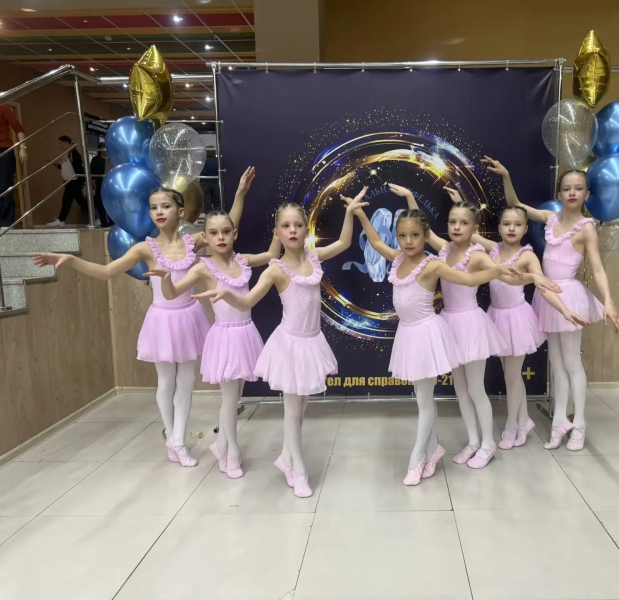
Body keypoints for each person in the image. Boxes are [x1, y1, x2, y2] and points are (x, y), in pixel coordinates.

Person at [33, 167, 263, 467]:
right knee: (166, 381)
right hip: (163, 319)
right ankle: (175, 441)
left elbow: (227, 225)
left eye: (165, 206)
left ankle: (178, 438)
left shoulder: (193, 241)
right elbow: (107, 272)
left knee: (187, 381)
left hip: (190, 317)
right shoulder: (145, 247)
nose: (159, 212)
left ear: (180, 211)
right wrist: (71, 259)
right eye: (153, 208)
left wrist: (241, 192)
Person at [194, 195, 368, 497]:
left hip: (312, 341)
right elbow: (248, 301)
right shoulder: (276, 269)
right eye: (286, 226)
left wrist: (350, 213)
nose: (293, 230)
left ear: (306, 229)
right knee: (292, 411)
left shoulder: (314, 257)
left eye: (298, 225)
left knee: (303, 405)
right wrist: (227, 294)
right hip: (290, 345)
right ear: (277, 233)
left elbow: (343, 242)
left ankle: (286, 457)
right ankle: (298, 469)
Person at [349, 192, 519, 486]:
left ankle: (445, 452)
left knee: (454, 393)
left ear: (425, 236)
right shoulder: (398, 258)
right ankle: (456, 444)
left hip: (430, 331)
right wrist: (360, 214)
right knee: (440, 394)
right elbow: (376, 242)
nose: (408, 241)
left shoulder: (433, 264)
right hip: (410, 333)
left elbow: (467, 279)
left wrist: (498, 269)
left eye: (415, 235)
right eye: (402, 236)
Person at [392, 183, 553, 469]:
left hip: (471, 324)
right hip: (448, 324)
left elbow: (504, 275)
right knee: (461, 389)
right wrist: (409, 197)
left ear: (474, 228)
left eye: (464, 223)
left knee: (476, 388)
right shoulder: (443, 251)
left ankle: (488, 444)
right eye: (452, 222)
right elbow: (419, 228)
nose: (456, 227)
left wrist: (534, 277)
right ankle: (473, 440)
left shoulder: (477, 255)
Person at [486, 156, 619, 451]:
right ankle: (560, 420)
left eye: (578, 188)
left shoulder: (586, 228)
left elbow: (597, 268)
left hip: (569, 294)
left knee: (572, 361)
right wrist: (506, 175)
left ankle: (580, 423)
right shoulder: (550, 219)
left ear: (587, 194)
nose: (572, 193)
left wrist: (609, 302)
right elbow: (517, 206)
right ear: (559, 193)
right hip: (547, 293)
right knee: (556, 363)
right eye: (566, 188)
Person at [146, 212, 277, 479]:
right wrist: (166, 279)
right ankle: (232, 452)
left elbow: (272, 255)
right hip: (224, 337)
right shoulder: (203, 267)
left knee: (236, 395)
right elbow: (172, 293)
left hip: (246, 333)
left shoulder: (244, 261)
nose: (221, 237)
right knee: (229, 399)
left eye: (226, 231)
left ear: (234, 233)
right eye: (214, 233)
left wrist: (277, 231)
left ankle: (220, 444)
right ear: (204, 237)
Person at [48, 135, 87, 227]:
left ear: (66, 142)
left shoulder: (73, 153)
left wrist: (81, 181)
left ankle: (61, 220)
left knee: (67, 200)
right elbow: (68, 167)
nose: (60, 145)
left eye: (61, 143)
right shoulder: (69, 153)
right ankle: (95, 219)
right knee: (79, 201)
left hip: (73, 181)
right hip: (70, 181)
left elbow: (78, 167)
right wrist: (56, 165)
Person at [0, 104, 27, 228]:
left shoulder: (3, 107)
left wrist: (23, 148)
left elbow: (18, 128)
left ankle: (6, 223)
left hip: (4, 150)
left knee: (4, 187)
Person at [90, 142, 112, 227]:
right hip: (99, 183)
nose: (105, 150)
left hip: (109, 184)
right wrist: (93, 183)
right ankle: (103, 221)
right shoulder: (96, 159)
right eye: (103, 148)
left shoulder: (110, 159)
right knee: (100, 203)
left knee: (109, 202)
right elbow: (92, 173)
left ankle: (111, 220)